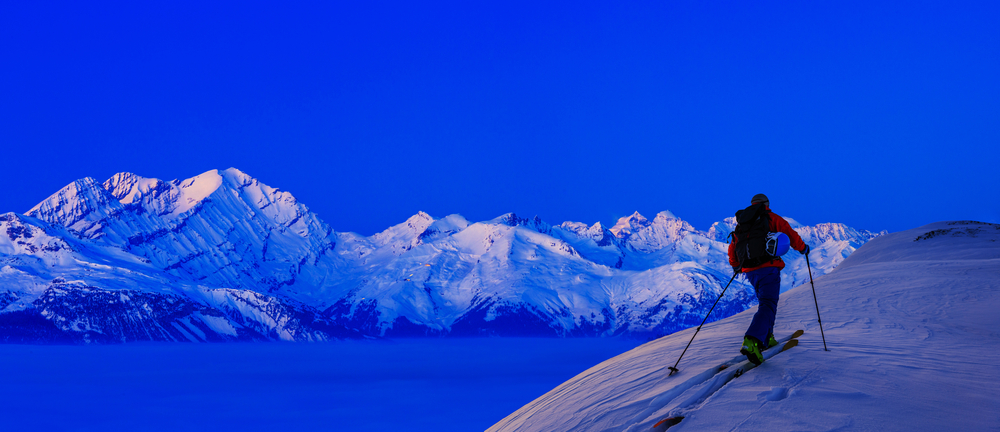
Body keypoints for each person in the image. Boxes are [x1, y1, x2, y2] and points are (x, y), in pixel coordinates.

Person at [728, 193, 809, 365]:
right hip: (768, 268)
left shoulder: (742, 223)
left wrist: (736, 266)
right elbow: (790, 234)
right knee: (768, 304)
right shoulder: (770, 218)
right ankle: (752, 340)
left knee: (765, 303)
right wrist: (803, 248)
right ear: (767, 204)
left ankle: (767, 336)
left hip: (749, 271)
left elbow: (733, 247)